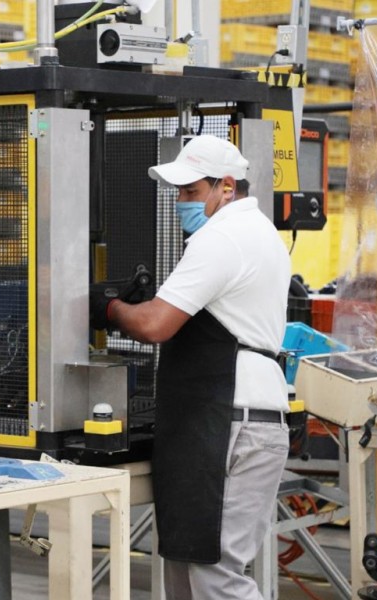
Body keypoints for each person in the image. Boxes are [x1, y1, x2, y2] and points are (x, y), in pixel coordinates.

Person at [90, 134, 291, 600]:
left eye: (191, 191)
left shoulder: (223, 237)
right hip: (232, 419)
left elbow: (155, 324)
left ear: (226, 186)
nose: (182, 201)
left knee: (215, 573)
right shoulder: (259, 232)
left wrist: (110, 308)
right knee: (185, 566)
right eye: (179, 191)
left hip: (229, 424)